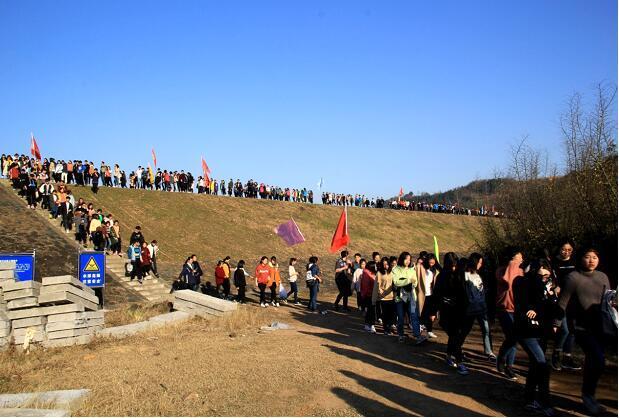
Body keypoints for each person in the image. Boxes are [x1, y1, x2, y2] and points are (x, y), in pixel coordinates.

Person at [554, 248, 613, 415]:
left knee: (594, 361)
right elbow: (562, 303)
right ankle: (588, 396)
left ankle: (589, 395)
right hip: (580, 327)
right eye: (587, 257)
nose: (591, 260)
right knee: (598, 360)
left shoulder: (603, 277)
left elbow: (608, 302)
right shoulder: (573, 278)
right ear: (581, 259)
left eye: (595, 257)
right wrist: (557, 322)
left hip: (600, 327)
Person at [513, 259, 556, 416]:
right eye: (541, 269)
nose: (544, 273)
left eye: (546, 269)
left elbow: (552, 308)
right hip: (527, 330)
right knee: (542, 365)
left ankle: (529, 399)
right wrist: (539, 281)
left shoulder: (549, 286)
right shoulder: (522, 282)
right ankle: (545, 403)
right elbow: (522, 301)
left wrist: (551, 296)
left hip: (541, 331)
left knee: (535, 365)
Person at [433, 252, 470, 375]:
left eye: (455, 265)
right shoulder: (441, 277)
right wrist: (433, 311)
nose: (454, 268)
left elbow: (463, 294)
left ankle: (449, 356)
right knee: (454, 336)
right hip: (446, 312)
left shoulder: (460, 275)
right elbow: (436, 295)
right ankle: (459, 362)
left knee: (454, 336)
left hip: (458, 311)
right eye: (452, 265)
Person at [550, 239, 580, 371]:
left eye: (569, 250)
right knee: (564, 330)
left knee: (572, 330)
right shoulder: (553, 262)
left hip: (574, 300)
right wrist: (555, 286)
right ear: (559, 249)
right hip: (560, 300)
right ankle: (556, 354)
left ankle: (567, 357)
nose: (566, 252)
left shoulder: (576, 262)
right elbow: (550, 278)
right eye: (564, 249)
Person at [461, 253, 496, 361]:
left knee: (486, 329)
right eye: (480, 262)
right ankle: (457, 348)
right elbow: (466, 292)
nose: (481, 264)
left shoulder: (478, 275)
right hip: (471, 308)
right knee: (465, 330)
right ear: (475, 262)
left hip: (482, 308)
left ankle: (489, 351)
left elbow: (481, 291)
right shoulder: (466, 274)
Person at [496, 248, 524, 381]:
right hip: (505, 309)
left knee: (514, 338)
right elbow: (508, 282)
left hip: (518, 310)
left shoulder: (522, 271)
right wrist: (513, 264)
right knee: (512, 337)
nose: (522, 260)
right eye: (519, 257)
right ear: (512, 259)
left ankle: (503, 359)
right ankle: (508, 365)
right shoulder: (502, 271)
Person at [392, 251, 425, 343]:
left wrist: (406, 281)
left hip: (411, 296)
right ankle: (401, 335)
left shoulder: (412, 269)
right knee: (401, 317)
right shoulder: (395, 269)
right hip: (399, 297)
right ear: (402, 259)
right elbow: (396, 282)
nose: (407, 261)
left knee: (414, 316)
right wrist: (408, 280)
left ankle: (417, 336)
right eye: (406, 259)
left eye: (409, 259)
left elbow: (415, 282)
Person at [373, 257, 395, 336]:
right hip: (383, 297)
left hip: (392, 297)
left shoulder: (392, 272)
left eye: (387, 264)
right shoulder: (379, 273)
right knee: (385, 314)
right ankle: (386, 329)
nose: (386, 266)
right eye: (384, 264)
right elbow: (377, 285)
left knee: (391, 315)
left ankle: (389, 328)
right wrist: (380, 292)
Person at [421, 254, 440, 339]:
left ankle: (429, 331)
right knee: (422, 312)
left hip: (431, 294)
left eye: (433, 261)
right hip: (422, 294)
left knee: (430, 314)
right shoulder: (422, 269)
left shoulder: (435, 270)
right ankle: (420, 328)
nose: (432, 263)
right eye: (430, 261)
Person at [360, 261, 377, 332]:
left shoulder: (369, 273)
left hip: (371, 295)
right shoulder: (367, 274)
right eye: (375, 266)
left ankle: (368, 324)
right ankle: (369, 325)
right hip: (369, 295)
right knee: (371, 311)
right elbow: (365, 286)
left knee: (370, 311)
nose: (376, 267)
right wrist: (364, 295)